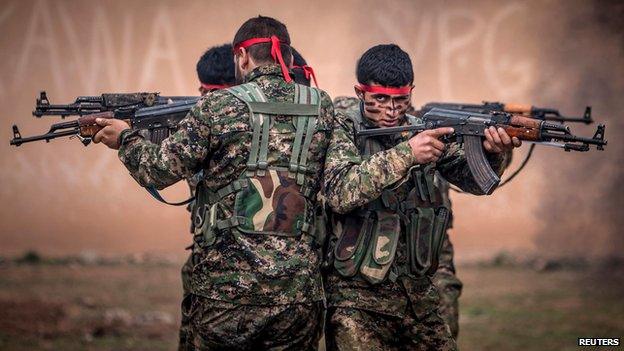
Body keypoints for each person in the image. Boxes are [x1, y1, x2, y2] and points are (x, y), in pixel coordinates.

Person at [93, 15, 334, 350]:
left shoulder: (217, 106)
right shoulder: (322, 107)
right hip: (299, 296)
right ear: (289, 58)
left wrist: (126, 140)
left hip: (226, 296)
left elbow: (158, 170)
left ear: (242, 58)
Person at [322, 44, 519, 350]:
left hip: (417, 296)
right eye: (380, 99)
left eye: (401, 100)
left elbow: (474, 181)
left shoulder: (418, 126)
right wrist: (408, 153)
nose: (391, 110)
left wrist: (493, 154)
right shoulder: (341, 125)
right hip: (357, 299)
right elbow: (340, 191)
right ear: (360, 93)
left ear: (411, 92)